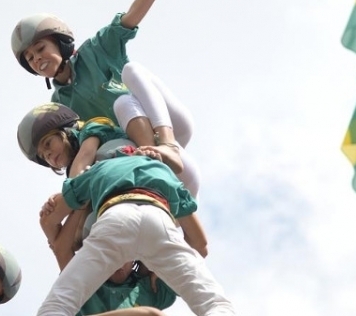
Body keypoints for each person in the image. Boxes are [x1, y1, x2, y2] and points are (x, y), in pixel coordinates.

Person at [10, 0, 202, 197]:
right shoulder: (59, 109)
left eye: (40, 48)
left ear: (60, 42)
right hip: (138, 148)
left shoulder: (96, 50)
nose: (37, 59)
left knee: (130, 75)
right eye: (30, 58)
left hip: (166, 124)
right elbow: (79, 153)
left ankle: (168, 145)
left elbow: (133, 15)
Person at [17, 103, 234, 316]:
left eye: (48, 145)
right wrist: (160, 267)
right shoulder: (162, 171)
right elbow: (201, 245)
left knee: (56, 306)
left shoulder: (99, 169)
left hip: (115, 220)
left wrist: (61, 204)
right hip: (160, 221)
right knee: (214, 302)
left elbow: (55, 216)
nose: (48, 156)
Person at [19, 102, 207, 254]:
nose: (49, 155)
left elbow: (85, 156)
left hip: (142, 177)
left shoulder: (91, 130)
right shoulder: (82, 176)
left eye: (48, 143)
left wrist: (65, 196)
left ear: (66, 131)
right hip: (122, 205)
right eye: (44, 156)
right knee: (83, 234)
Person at [40, 193, 177, 316]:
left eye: (123, 254)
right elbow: (60, 248)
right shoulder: (83, 279)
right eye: (110, 253)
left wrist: (159, 266)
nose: (117, 263)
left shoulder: (147, 288)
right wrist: (80, 203)